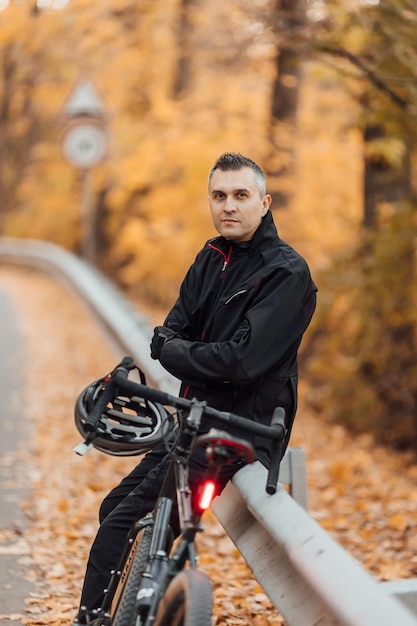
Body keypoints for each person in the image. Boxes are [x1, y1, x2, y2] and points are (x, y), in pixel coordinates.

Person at [73, 152, 317, 622]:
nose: (229, 205)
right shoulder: (211, 256)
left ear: (264, 203)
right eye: (219, 195)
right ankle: (133, 606)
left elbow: (242, 363)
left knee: (119, 524)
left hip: (240, 428)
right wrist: (194, 354)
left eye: (241, 196)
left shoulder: (288, 273)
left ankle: (90, 619)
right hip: (193, 416)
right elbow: (166, 335)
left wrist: (184, 353)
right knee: (113, 508)